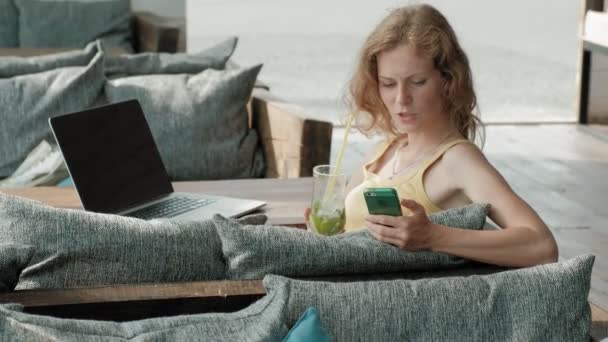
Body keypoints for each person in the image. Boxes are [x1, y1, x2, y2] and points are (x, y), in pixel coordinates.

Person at [306, 4, 558, 268]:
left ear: (448, 80)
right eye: (388, 84)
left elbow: (541, 246)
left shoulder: (457, 160)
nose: (401, 99)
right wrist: (322, 235)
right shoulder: (385, 151)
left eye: (417, 82)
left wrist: (434, 236)